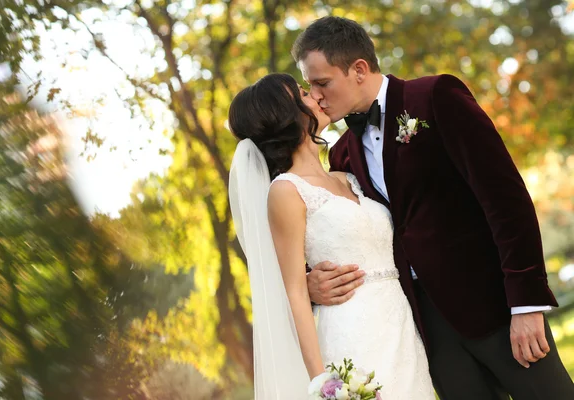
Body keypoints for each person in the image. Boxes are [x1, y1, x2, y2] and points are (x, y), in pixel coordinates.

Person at [291, 16, 574, 400]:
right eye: (310, 86)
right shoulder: (341, 155)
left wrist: (525, 303)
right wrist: (309, 281)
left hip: (495, 309)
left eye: (322, 83)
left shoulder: (436, 97)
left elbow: (505, 199)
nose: (316, 96)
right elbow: (343, 230)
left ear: (358, 69)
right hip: (427, 335)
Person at [228, 73, 436, 399]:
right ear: (282, 114)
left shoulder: (348, 175)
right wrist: (322, 384)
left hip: (400, 332)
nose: (316, 95)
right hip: (350, 337)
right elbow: (295, 293)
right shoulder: (286, 191)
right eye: (302, 93)